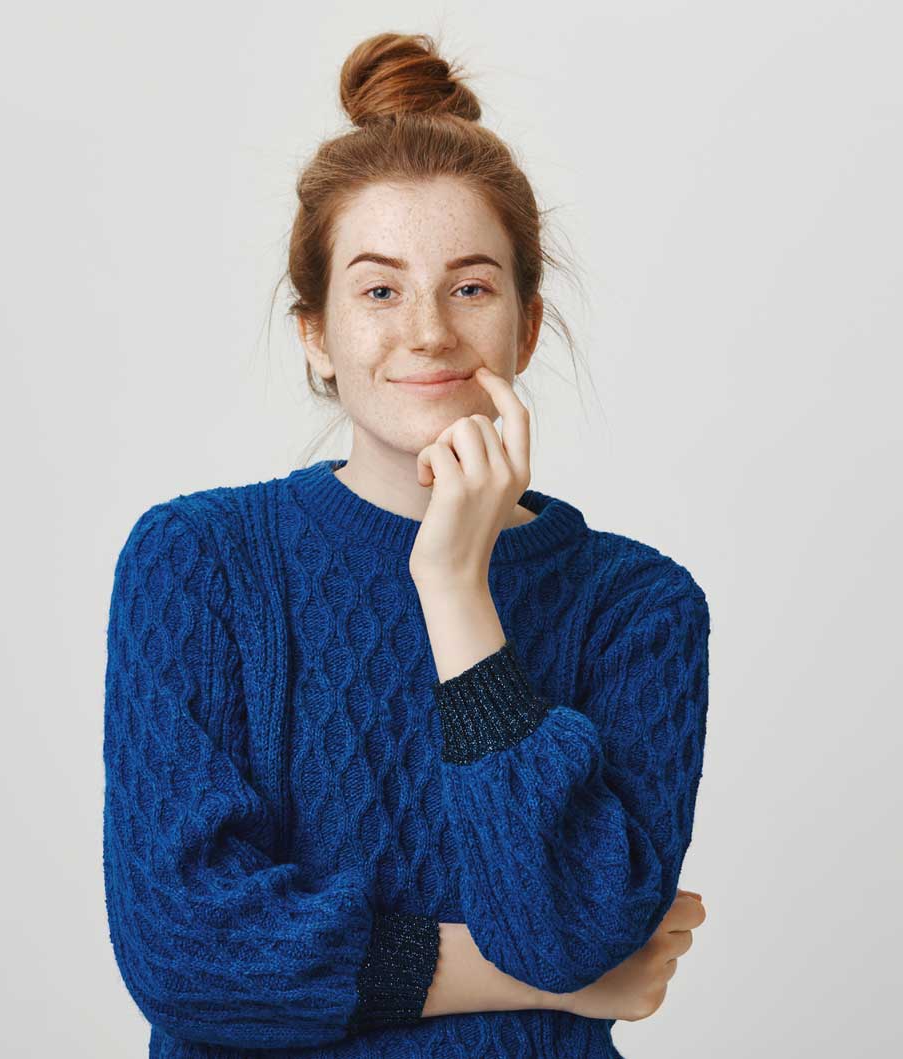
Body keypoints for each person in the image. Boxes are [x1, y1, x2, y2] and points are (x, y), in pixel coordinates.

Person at [102, 31, 711, 1059]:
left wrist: (456, 589)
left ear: (525, 327)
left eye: (470, 287)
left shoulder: (638, 606)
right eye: (379, 289)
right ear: (315, 334)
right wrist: (540, 984)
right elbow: (186, 954)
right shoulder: (196, 563)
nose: (427, 330)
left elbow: (568, 927)